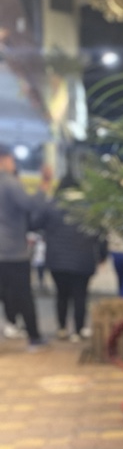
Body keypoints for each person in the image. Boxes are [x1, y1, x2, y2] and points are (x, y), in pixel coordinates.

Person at [43, 175, 107, 342]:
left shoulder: (52, 205)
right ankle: (78, 331)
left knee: (61, 295)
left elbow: (37, 224)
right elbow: (100, 234)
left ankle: (62, 329)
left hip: (57, 260)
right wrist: (102, 255)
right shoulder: (89, 207)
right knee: (80, 296)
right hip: (83, 260)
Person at [0, 144, 46, 349]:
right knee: (24, 295)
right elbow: (31, 205)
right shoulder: (10, 183)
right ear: (4, 159)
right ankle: (34, 337)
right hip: (12, 251)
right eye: (12, 160)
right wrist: (44, 186)